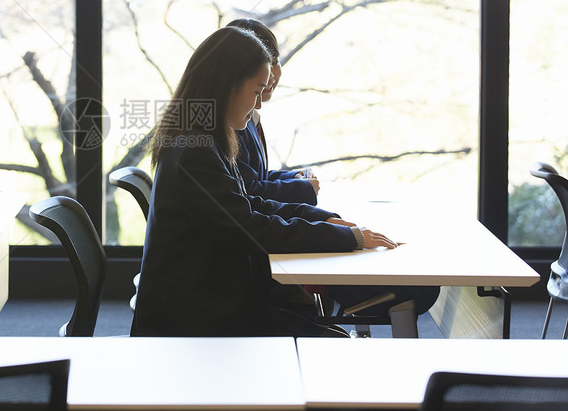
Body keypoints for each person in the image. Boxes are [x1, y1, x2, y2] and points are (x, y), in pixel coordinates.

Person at [130, 27, 398, 337]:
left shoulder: (204, 138)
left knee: (333, 339)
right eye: (257, 91)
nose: (258, 104)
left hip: (214, 303)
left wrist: (321, 218)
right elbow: (250, 227)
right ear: (227, 86)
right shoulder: (194, 149)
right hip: (196, 321)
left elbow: (247, 203)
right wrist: (350, 239)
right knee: (336, 347)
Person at [226, 18, 320, 205]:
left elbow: (254, 176)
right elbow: (246, 190)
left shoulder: (249, 115)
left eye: (274, 62)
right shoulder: (233, 121)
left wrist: (294, 177)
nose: (270, 76)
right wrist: (303, 189)